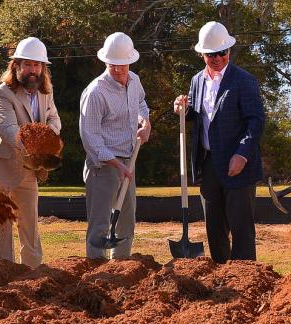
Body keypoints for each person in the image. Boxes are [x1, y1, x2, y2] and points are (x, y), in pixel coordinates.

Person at [173, 21, 266, 263]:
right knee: (214, 227)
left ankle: (244, 280)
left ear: (229, 51)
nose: (217, 58)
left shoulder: (244, 80)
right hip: (210, 162)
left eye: (222, 53)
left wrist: (242, 154)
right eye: (211, 54)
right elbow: (197, 114)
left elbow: (255, 121)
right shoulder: (196, 81)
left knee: (241, 228)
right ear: (202, 54)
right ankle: (222, 279)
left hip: (238, 162)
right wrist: (183, 108)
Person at [0, 36, 62, 268]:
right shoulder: (1, 93)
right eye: (27, 64)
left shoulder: (46, 92)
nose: (33, 70)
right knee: (3, 223)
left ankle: (33, 274)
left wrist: (49, 136)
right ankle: (3, 275)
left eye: (37, 65)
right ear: (16, 66)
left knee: (30, 224)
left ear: (43, 68)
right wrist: (36, 143)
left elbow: (54, 119)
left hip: (28, 167)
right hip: (1, 165)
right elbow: (7, 129)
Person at [79, 32, 151, 259]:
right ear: (106, 62)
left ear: (130, 61)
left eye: (123, 65)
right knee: (100, 222)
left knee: (126, 220)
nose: (119, 70)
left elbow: (141, 103)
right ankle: (96, 270)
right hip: (103, 165)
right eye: (113, 65)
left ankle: (123, 266)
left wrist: (145, 122)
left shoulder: (135, 81)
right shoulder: (96, 92)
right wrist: (115, 164)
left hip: (130, 158)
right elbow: (90, 138)